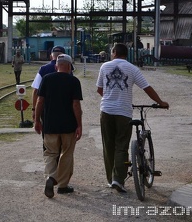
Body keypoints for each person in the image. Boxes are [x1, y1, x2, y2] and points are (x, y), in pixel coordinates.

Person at [96, 43, 169, 193]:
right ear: (126, 54)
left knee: (108, 145)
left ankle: (111, 179)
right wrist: (160, 102)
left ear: (114, 52)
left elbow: (99, 89)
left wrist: (111, 98)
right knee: (121, 145)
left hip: (106, 110)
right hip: (123, 112)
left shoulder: (104, 66)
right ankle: (118, 179)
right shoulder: (133, 68)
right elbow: (146, 87)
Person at [34, 54, 83, 198]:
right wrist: (79, 125)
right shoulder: (74, 81)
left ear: (56, 66)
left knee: (50, 153)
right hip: (68, 126)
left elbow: (39, 101)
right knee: (66, 154)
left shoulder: (47, 79)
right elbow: (76, 104)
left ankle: (51, 177)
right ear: (69, 67)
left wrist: (37, 120)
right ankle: (62, 185)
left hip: (50, 125)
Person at [31, 46, 66, 119]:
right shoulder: (68, 69)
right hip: (64, 108)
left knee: (47, 129)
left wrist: (34, 109)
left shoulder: (43, 69)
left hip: (47, 108)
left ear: (51, 56)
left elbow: (36, 91)